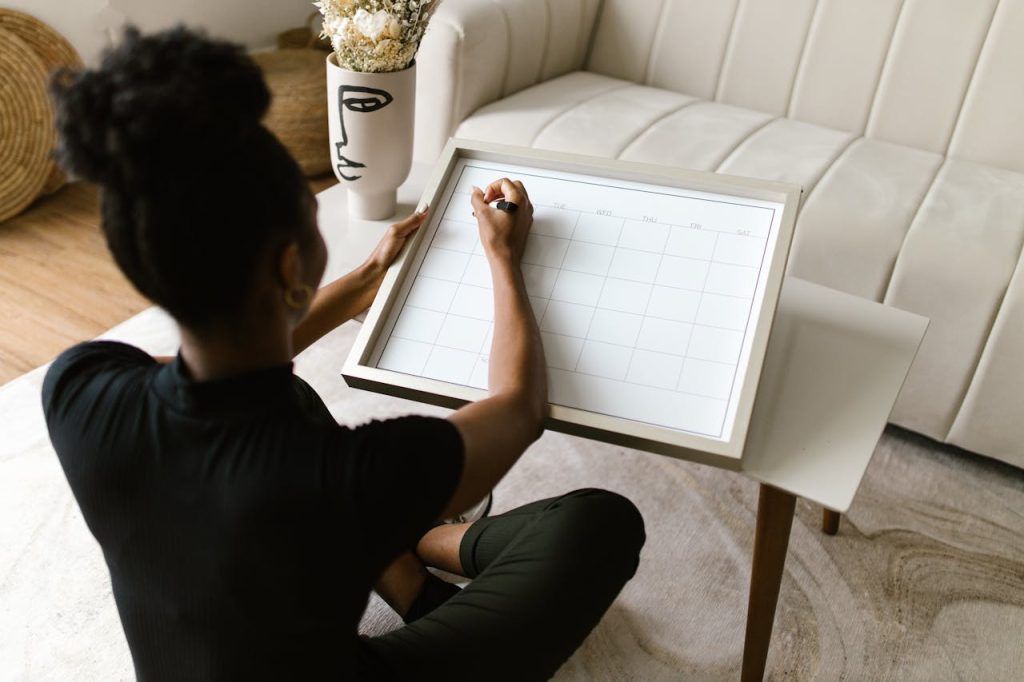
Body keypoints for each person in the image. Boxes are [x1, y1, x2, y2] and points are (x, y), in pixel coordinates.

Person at [42, 26, 645, 681]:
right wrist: (504, 256)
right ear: (290, 265)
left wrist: (363, 282)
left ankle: (415, 572)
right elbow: (518, 406)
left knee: (293, 405)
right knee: (602, 523)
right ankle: (425, 539)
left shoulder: (77, 388)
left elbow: (208, 377)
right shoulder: (342, 475)